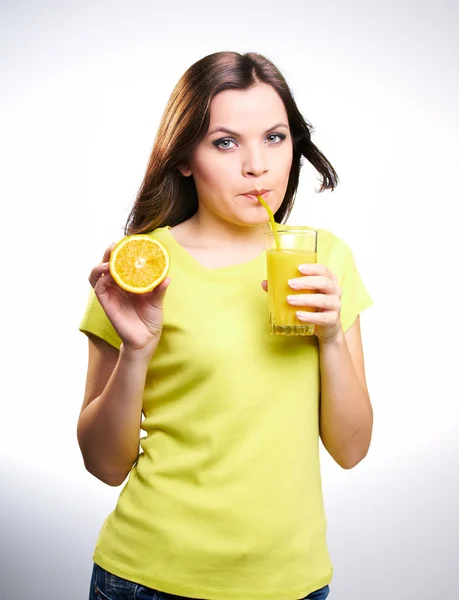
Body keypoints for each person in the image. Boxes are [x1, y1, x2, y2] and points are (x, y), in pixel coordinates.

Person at [78, 51, 373, 600]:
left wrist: (330, 337)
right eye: (226, 142)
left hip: (291, 583)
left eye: (276, 137)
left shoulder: (323, 260)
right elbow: (102, 465)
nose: (257, 165)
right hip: (147, 579)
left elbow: (351, 450)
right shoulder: (140, 268)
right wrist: (137, 350)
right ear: (185, 156)